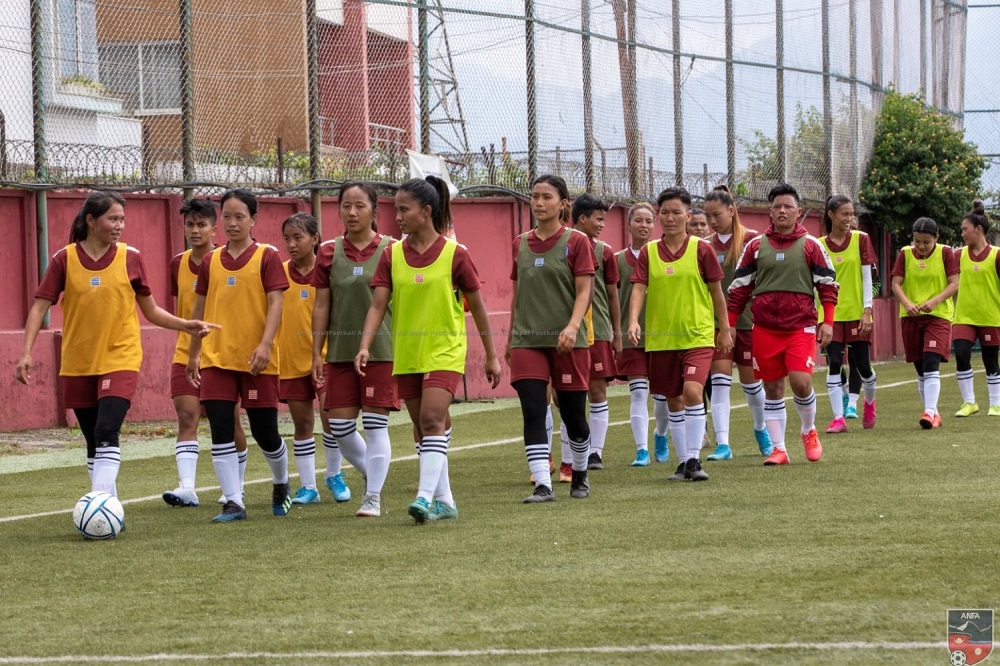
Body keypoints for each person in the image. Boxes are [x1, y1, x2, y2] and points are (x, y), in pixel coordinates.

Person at [15, 192, 216, 499]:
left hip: (121, 357)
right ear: (91, 221)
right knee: (92, 440)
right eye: (113, 218)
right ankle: (107, 499)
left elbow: (151, 311)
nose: (119, 225)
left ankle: (101, 502)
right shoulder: (64, 259)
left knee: (106, 430)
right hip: (78, 362)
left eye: (122, 219)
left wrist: (186, 324)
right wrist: (26, 352)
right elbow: (40, 307)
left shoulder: (131, 257)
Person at [356, 176, 501, 523]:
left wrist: (492, 355)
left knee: (431, 419)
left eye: (404, 210)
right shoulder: (391, 256)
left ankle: (422, 498)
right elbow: (377, 306)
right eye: (396, 210)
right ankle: (445, 501)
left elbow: (478, 306)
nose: (398, 216)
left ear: (426, 211)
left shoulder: (456, 255)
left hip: (445, 350)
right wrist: (364, 346)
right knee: (425, 428)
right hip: (407, 353)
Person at [186, 188, 292, 522]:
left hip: (256, 360)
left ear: (253, 220)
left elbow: (276, 303)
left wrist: (265, 345)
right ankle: (234, 502)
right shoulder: (211, 261)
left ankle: (281, 481)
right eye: (227, 217)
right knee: (220, 428)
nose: (232, 223)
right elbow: (199, 311)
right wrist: (193, 354)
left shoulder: (268, 256)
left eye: (239, 217)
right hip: (217, 358)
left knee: (265, 432)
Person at [727, 183, 838, 465]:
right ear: (770, 212)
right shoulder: (754, 246)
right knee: (773, 388)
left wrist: (828, 321)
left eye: (788, 206)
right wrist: (728, 325)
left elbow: (827, 285)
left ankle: (808, 430)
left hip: (801, 327)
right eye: (777, 206)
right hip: (764, 328)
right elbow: (738, 289)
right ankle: (779, 449)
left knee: (801, 383)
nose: (782, 211)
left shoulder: (812, 245)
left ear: (798, 211)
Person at [627, 187, 731, 482]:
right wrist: (633, 320)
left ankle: (695, 460)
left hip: (697, 335)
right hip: (661, 338)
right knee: (672, 399)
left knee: (692, 392)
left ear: (688, 215)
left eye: (676, 212)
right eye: (665, 212)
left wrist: (724, 328)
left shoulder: (702, 249)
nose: (670, 218)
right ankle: (683, 461)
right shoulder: (648, 252)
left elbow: (716, 291)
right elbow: (638, 288)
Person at [312, 182, 399, 518]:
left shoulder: (393, 250)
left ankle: (372, 497)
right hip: (339, 353)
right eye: (345, 205)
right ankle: (372, 473)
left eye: (359, 205)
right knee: (341, 428)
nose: (351, 212)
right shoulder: (328, 252)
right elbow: (321, 305)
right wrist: (315, 352)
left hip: (382, 350)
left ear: (375, 211)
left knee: (376, 425)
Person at [509, 175, 595, 503]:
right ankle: (543, 484)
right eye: (534, 196)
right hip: (527, 340)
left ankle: (581, 473)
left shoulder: (577, 242)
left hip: (569, 341)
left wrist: (573, 327)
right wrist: (508, 340)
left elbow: (584, 290)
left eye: (547, 197)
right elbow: (518, 292)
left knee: (573, 416)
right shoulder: (519, 243)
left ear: (563, 204)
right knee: (533, 409)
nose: (539, 203)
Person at [162, 198, 248, 508]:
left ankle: (235, 487)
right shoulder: (177, 263)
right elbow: (183, 306)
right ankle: (187, 488)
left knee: (227, 423)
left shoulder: (227, 260)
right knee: (187, 416)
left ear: (215, 227)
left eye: (201, 224)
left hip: (221, 354)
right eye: (189, 225)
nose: (195, 230)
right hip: (185, 351)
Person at [702, 184, 773, 460]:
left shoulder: (753, 240)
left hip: (747, 323)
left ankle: (761, 429)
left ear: (732, 211)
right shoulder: (705, 245)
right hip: (717, 326)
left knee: (752, 386)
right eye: (708, 216)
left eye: (716, 214)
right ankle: (723, 444)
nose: (711, 221)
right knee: (719, 381)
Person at [277, 212, 337, 506]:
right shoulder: (279, 273)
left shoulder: (328, 273)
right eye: (287, 238)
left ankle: (335, 475)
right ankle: (309, 486)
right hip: (289, 360)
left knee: (333, 419)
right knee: (302, 424)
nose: (291, 244)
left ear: (314, 239)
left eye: (298, 237)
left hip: (324, 359)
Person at [890, 217, 958, 428]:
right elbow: (895, 284)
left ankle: (928, 412)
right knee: (920, 369)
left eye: (926, 242)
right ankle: (934, 413)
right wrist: (907, 303)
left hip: (938, 316)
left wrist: (935, 301)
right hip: (911, 317)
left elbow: (954, 284)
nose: (920, 246)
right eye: (917, 241)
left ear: (936, 238)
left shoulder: (946, 253)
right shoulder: (904, 254)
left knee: (930, 362)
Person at [818, 195, 879, 433]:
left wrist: (867, 310)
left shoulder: (861, 239)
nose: (849, 218)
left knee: (863, 366)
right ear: (831, 214)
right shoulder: (819, 244)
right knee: (834, 362)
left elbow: (867, 277)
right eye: (845, 214)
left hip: (856, 312)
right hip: (829, 315)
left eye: (852, 214)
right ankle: (838, 418)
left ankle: (870, 404)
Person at [570, 194, 621, 471]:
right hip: (567, 331)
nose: (602, 224)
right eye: (598, 219)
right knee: (567, 393)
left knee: (597, 391)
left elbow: (612, 296)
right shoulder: (561, 246)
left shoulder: (605, 251)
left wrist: (617, 333)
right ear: (581, 218)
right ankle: (572, 452)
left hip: (598, 330)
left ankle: (595, 453)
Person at [616, 202, 668, 467]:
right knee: (638, 392)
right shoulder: (616, 260)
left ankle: (660, 435)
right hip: (631, 336)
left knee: (661, 397)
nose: (644, 225)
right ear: (628, 225)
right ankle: (641, 450)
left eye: (649, 221)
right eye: (639, 220)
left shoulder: (665, 256)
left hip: (663, 336)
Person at [952, 201, 1000, 417]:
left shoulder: (997, 255)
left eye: (965, 229)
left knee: (990, 360)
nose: (962, 234)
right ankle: (969, 402)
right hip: (964, 316)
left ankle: (996, 404)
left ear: (978, 230)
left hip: (991, 316)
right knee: (961, 354)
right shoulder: (958, 255)